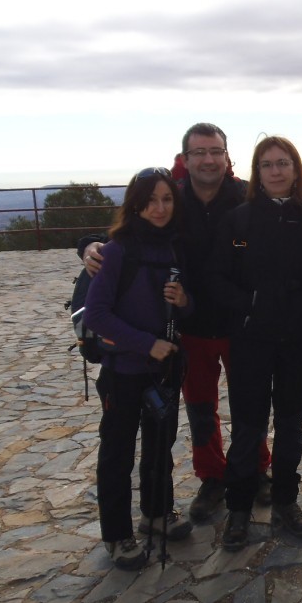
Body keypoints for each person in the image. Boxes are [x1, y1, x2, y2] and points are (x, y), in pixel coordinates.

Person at [80, 123, 273, 523]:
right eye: (199, 152)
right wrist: (88, 244)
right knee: (201, 409)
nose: (208, 159)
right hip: (190, 328)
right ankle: (213, 476)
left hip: (241, 324)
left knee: (249, 403)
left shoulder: (245, 197)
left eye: (215, 151)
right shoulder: (173, 200)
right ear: (186, 159)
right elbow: (134, 228)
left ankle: (256, 469)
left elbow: (288, 208)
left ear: (226, 156)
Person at [212, 136, 302, 551]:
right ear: (257, 173)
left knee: (291, 425)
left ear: (296, 170)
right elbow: (217, 278)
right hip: (250, 340)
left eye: (283, 163)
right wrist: (251, 303)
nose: (276, 171)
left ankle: (285, 502)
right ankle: (238, 509)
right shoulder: (237, 220)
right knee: (248, 427)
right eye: (267, 164)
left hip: (298, 338)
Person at [83, 166, 193, 570]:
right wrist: (147, 344)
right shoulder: (116, 251)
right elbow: (96, 313)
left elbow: (190, 308)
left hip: (162, 369)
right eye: (150, 201)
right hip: (124, 371)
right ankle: (117, 534)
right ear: (135, 205)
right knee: (117, 453)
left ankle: (156, 512)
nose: (159, 208)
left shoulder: (175, 248)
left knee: (160, 445)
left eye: (166, 199)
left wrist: (183, 301)